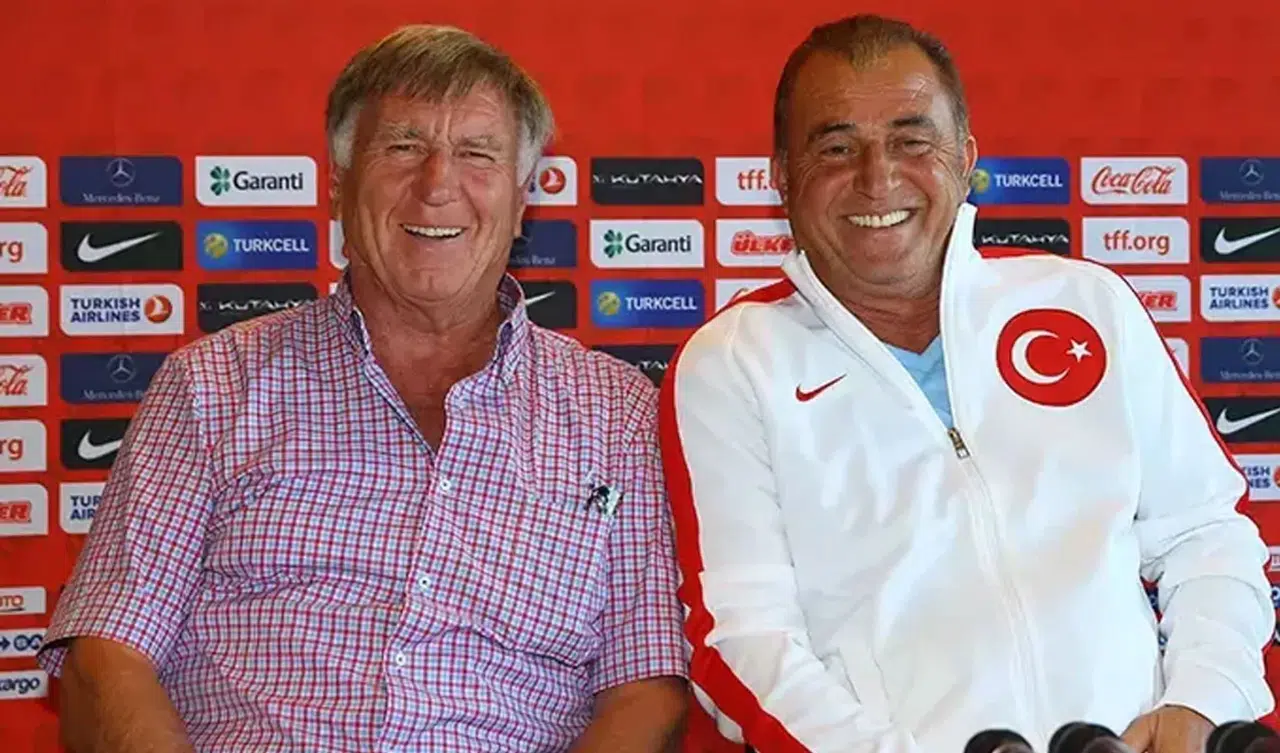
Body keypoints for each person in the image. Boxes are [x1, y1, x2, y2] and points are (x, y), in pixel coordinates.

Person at [37, 24, 688, 753]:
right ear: (338, 185)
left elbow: (646, 688)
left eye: (478, 153)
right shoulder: (213, 383)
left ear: (520, 200)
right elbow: (107, 654)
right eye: (403, 146)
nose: (437, 184)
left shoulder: (618, 413)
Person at [660, 14, 1274, 753]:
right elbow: (744, 639)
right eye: (836, 147)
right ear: (782, 177)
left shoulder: (1086, 303)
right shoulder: (732, 363)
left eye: (912, 140)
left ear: (965, 158)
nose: (878, 178)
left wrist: (1200, 702)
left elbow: (1206, 533)